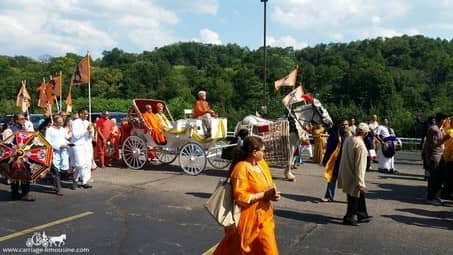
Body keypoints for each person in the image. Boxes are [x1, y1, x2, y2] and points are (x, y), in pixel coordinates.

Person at [214, 136, 280, 255]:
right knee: (236, 251)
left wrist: (272, 195)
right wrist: (263, 195)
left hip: (265, 217)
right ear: (254, 152)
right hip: (248, 221)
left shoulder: (262, 164)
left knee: (270, 250)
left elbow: (268, 185)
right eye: (263, 150)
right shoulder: (241, 168)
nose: (264, 153)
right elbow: (241, 198)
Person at [337, 122, 371, 226]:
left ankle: (362, 214)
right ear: (365, 134)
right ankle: (349, 217)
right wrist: (361, 182)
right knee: (354, 195)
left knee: (358, 194)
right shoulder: (360, 145)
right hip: (353, 174)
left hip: (345, 171)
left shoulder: (349, 139)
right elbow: (360, 165)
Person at [422, 112, 451, 205]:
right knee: (434, 179)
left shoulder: (439, 129)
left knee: (440, 177)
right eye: (446, 119)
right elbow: (433, 145)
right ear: (442, 120)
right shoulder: (434, 129)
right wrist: (445, 139)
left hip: (439, 157)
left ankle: (434, 196)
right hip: (434, 157)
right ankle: (430, 198)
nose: (448, 121)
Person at [321, 119, 351, 202]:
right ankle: (329, 196)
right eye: (343, 124)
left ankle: (351, 198)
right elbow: (329, 149)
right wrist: (325, 160)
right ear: (339, 126)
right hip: (335, 161)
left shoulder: (351, 136)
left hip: (346, 162)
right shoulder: (334, 135)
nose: (345, 126)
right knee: (331, 179)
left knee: (348, 181)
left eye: (346, 124)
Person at [9, 113, 34, 201]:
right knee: (15, 174)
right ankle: (15, 193)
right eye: (22, 119)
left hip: (24, 155)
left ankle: (25, 193)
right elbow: (7, 143)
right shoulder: (10, 130)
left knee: (26, 173)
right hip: (14, 155)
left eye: (25, 118)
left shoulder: (24, 129)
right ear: (16, 120)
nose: (24, 120)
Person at [45, 115, 69, 196]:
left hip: (64, 152)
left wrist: (68, 143)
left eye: (62, 122)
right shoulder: (49, 130)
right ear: (55, 122)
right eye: (59, 122)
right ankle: (58, 188)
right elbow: (47, 142)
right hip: (54, 153)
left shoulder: (63, 129)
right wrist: (58, 146)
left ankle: (52, 180)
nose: (61, 124)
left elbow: (65, 138)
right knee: (56, 171)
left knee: (64, 170)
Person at [71, 109, 94, 189]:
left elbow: (90, 136)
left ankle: (84, 181)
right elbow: (76, 135)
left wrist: (91, 132)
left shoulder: (88, 123)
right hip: (78, 145)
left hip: (87, 145)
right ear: (80, 114)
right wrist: (86, 131)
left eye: (87, 114)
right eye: (85, 114)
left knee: (87, 164)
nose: (86, 115)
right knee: (80, 164)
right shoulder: (75, 123)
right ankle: (75, 179)